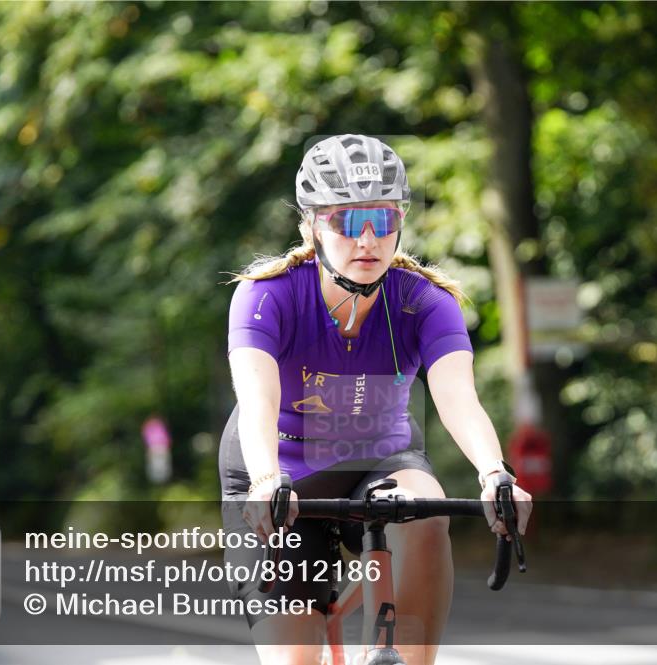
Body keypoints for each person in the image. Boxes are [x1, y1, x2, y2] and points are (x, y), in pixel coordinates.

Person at [220, 134, 532, 665]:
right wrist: (268, 481)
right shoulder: (266, 294)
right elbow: (256, 403)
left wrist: (494, 474)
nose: (367, 240)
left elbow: (457, 396)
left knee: (427, 519)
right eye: (347, 221)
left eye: (383, 221)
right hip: (282, 464)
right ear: (312, 224)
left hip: (380, 458)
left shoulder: (424, 301)